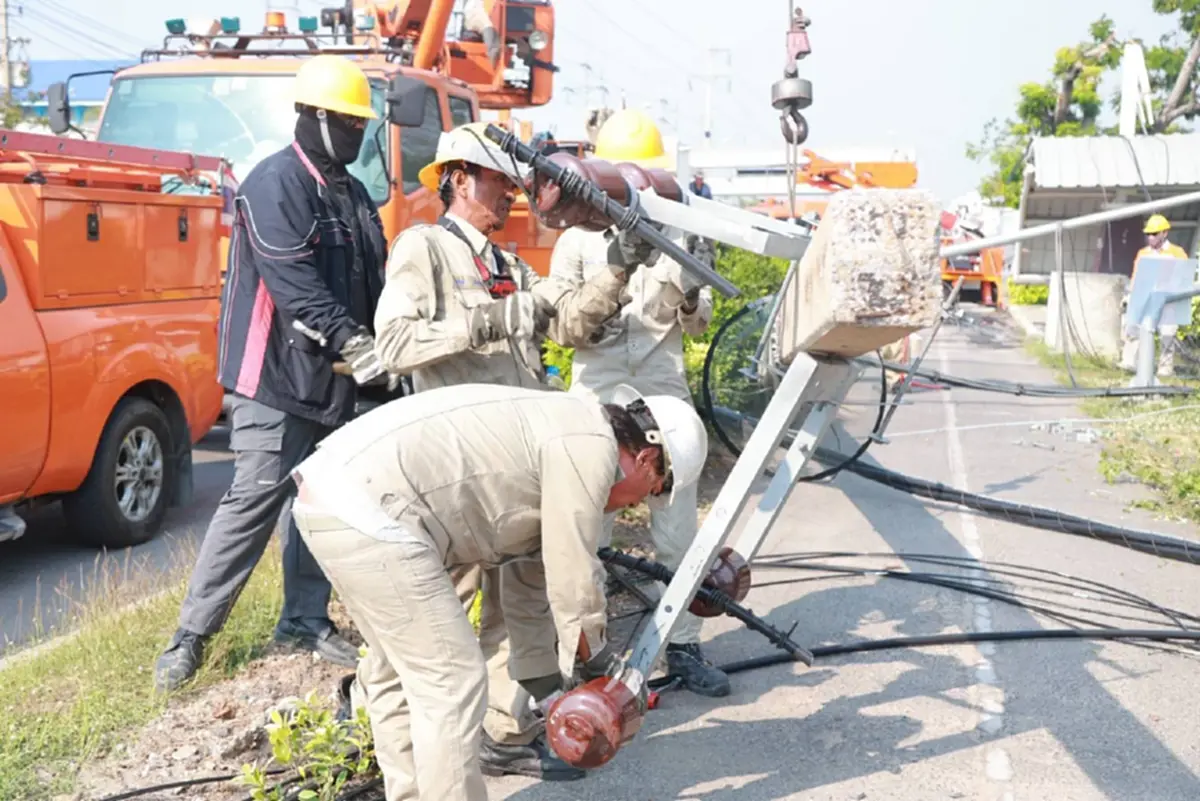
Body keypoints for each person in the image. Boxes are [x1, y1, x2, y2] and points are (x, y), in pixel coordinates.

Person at [364, 120, 643, 780]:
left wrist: (617, 267)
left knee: (514, 611)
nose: (513, 196)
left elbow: (571, 323)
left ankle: (495, 730)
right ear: (458, 179)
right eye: (498, 181)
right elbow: (395, 346)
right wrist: (493, 316)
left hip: (511, 478)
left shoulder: (507, 264)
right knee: (439, 631)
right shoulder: (424, 249)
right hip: (454, 477)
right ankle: (420, 768)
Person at [290, 382, 709, 801]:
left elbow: (529, 583)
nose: (634, 505)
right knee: (451, 680)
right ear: (646, 458)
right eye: (652, 491)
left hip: (331, 496)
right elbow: (572, 573)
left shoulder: (565, 426)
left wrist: (548, 683)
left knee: (396, 672)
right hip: (372, 510)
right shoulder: (590, 445)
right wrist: (597, 663)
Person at [153, 55, 392, 692]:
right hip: (273, 376)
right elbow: (293, 282)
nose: (353, 131)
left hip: (337, 380)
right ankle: (190, 637)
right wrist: (353, 339)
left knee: (320, 499)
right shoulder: (273, 183)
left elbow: (376, 278)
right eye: (343, 120)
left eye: (358, 122)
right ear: (313, 117)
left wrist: (387, 344)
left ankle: (304, 619)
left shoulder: (354, 194)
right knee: (255, 497)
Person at [548, 108, 731, 698]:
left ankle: (682, 648)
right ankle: (585, 659)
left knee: (676, 526)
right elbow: (563, 327)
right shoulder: (576, 238)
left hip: (660, 385)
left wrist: (690, 294)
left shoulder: (676, 228)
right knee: (584, 524)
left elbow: (697, 325)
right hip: (598, 388)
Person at [1119, 214, 1189, 376]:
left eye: (1154, 234)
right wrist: (1130, 296)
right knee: (1133, 329)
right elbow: (1136, 277)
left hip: (1168, 301)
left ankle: (1165, 368)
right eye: (1148, 234)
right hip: (1145, 299)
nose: (1150, 237)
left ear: (1165, 233)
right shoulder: (1143, 253)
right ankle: (1130, 362)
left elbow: (1184, 278)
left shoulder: (1177, 253)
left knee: (1167, 334)